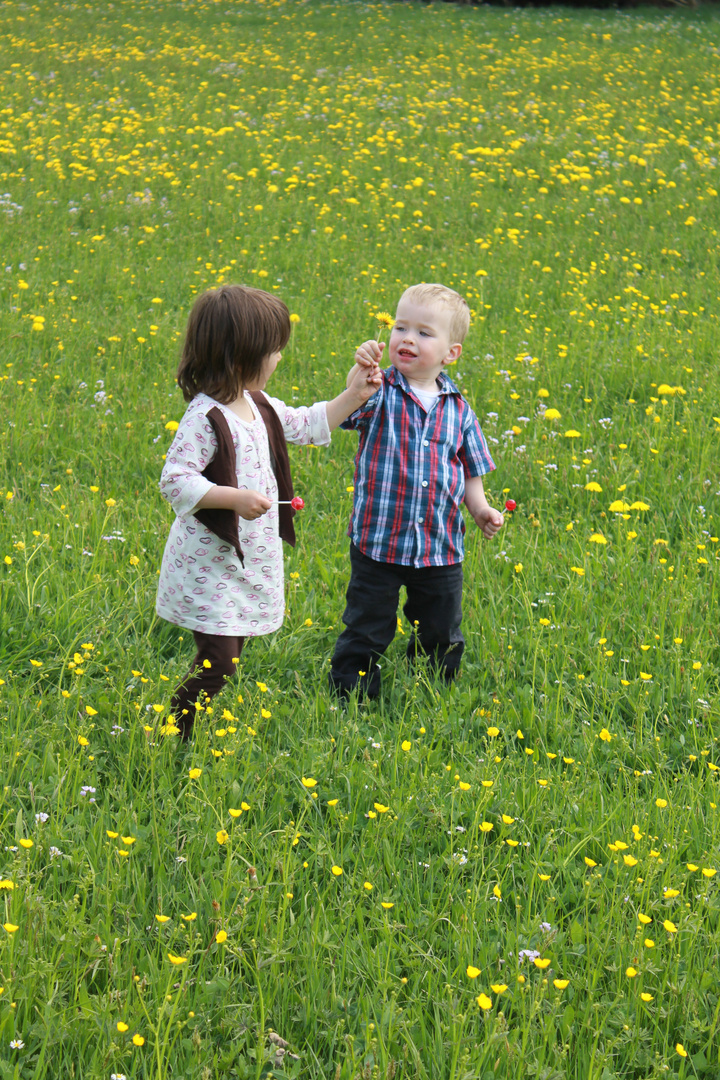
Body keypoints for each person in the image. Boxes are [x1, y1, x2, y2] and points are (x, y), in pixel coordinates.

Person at [157, 284, 380, 737]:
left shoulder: (257, 404)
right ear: (240, 358)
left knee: (228, 653)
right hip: (210, 561)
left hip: (245, 558)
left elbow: (304, 423)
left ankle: (181, 723)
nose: (279, 359)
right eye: (274, 351)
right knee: (220, 658)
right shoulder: (206, 417)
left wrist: (353, 395)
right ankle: (173, 727)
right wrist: (233, 497)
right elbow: (176, 480)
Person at [329, 282, 504, 699]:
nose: (407, 338)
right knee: (367, 622)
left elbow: (470, 468)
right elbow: (348, 406)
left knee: (441, 626)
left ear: (450, 353)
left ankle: (433, 686)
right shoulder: (379, 391)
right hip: (379, 543)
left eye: (424, 333)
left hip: (438, 546)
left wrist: (479, 509)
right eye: (400, 327)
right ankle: (352, 690)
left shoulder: (459, 409)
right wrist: (359, 374)